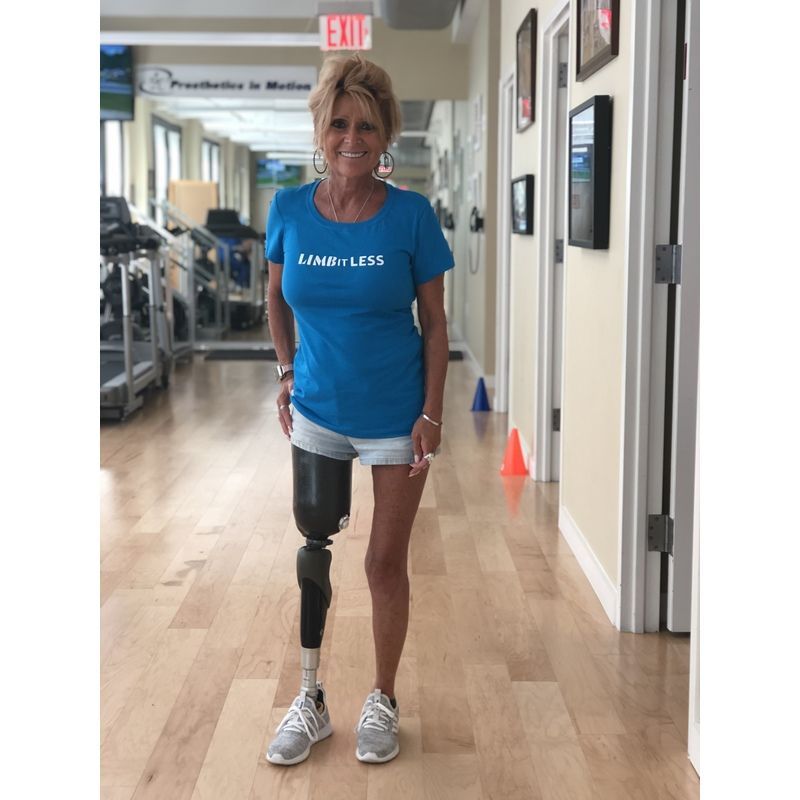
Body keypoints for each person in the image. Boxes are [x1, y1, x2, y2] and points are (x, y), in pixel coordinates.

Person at [264, 53, 454, 766]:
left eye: (367, 127)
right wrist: (286, 370)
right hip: (317, 409)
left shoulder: (410, 215)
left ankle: (382, 696)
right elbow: (275, 297)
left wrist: (432, 413)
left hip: (397, 417)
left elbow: (435, 324)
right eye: (340, 124)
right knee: (312, 549)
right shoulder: (288, 209)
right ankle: (310, 699)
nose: (352, 139)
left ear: (385, 136)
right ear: (322, 131)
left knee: (382, 562)